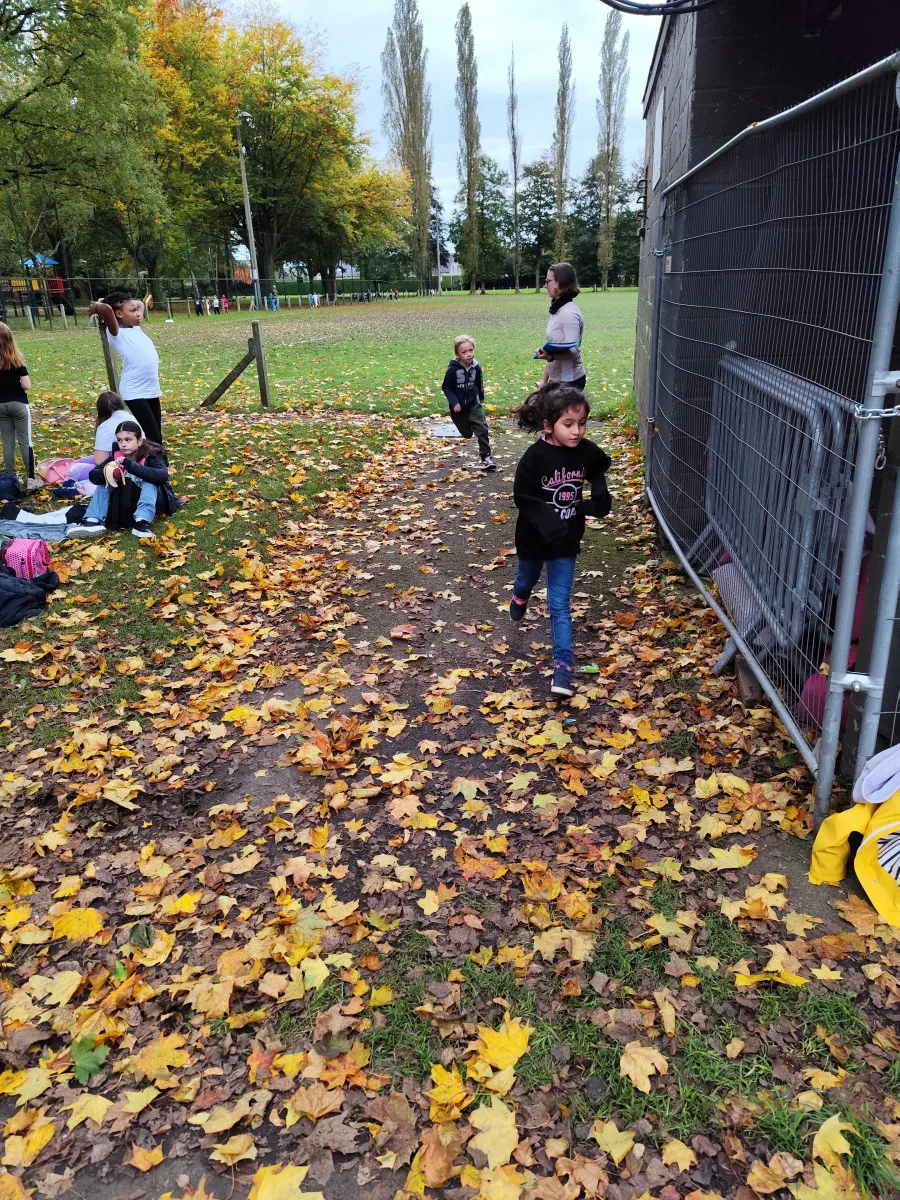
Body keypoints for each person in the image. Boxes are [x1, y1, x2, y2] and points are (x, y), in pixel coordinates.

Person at [509, 384, 611, 698]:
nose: (576, 431)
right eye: (568, 424)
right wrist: (548, 522)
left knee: (559, 603)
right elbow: (522, 496)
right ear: (548, 425)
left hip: (565, 541)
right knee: (526, 578)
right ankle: (520, 595)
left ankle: (563, 666)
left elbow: (598, 466)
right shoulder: (535, 457)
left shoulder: (585, 450)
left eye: (582, 423)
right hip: (534, 539)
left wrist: (598, 495)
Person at [72, 421, 179, 540]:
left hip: (153, 498)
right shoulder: (116, 455)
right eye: (120, 440)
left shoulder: (151, 453)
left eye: (128, 440)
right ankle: (92, 520)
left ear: (139, 441)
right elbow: (93, 475)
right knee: (106, 478)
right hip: (125, 500)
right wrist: (109, 473)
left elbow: (162, 476)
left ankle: (142, 522)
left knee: (149, 479)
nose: (123, 444)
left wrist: (129, 465)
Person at [89, 290, 163, 444]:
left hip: (151, 388)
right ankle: (156, 459)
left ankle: (151, 457)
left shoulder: (135, 328)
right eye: (132, 311)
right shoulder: (116, 333)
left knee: (155, 433)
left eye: (136, 311)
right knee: (153, 435)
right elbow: (106, 309)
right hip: (135, 390)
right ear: (119, 314)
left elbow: (140, 303)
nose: (138, 314)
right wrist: (98, 305)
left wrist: (125, 304)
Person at [440, 334, 495, 472]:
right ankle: (469, 424)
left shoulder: (476, 366)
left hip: (473, 403)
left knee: (482, 428)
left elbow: (479, 381)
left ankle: (486, 457)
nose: (469, 354)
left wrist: (480, 395)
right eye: (464, 352)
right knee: (467, 434)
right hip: (458, 407)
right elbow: (446, 387)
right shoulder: (453, 369)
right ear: (457, 354)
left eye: (471, 350)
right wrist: (454, 402)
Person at [535, 262, 586, 391]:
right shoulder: (557, 309)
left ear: (560, 283)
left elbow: (573, 352)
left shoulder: (569, 313)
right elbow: (553, 347)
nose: (545, 285)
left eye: (548, 281)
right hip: (557, 380)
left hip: (569, 382)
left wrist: (550, 356)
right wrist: (544, 380)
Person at [0, 322, 37, 490]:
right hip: (19, 404)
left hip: (1, 406)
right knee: (25, 441)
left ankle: (11, 479)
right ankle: (31, 478)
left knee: (7, 441)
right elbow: (27, 385)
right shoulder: (16, 360)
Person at [93, 391, 142, 465]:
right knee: (82, 461)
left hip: (120, 464)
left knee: (78, 468)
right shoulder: (133, 417)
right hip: (137, 458)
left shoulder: (105, 426)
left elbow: (99, 461)